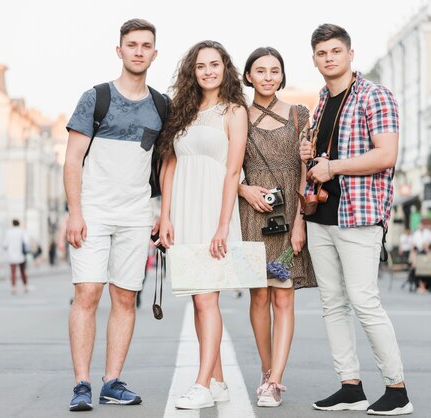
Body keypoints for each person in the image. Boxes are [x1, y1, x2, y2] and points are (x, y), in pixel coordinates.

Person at [300, 24, 413, 415]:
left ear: (350, 54)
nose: (329, 58)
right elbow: (322, 158)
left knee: (364, 302)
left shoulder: (374, 95)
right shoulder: (321, 100)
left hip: (359, 215)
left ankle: (397, 390)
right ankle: (350, 386)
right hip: (321, 217)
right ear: (314, 59)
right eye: (321, 53)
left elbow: (386, 155)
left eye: (335, 51)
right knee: (332, 304)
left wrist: (334, 168)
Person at [63, 18, 164, 411]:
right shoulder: (95, 98)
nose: (138, 51)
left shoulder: (161, 105)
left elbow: (167, 163)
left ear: (154, 53)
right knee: (87, 293)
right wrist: (76, 213)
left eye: (146, 45)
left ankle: (111, 381)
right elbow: (72, 160)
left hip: (137, 215)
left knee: (125, 297)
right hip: (94, 212)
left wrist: (163, 213)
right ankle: (82, 383)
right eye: (132, 44)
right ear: (119, 50)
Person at [158, 40, 248, 410]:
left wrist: (223, 225)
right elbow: (170, 165)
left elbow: (232, 171)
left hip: (214, 210)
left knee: (207, 298)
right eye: (200, 66)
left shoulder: (234, 111)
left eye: (215, 64)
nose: (208, 71)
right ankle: (218, 380)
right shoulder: (183, 111)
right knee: (199, 299)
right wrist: (164, 215)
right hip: (183, 210)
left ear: (225, 68)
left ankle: (200, 384)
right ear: (191, 72)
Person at [238, 46, 317, 407]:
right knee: (259, 294)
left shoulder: (300, 115)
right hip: (253, 211)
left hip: (289, 216)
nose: (268, 77)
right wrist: (242, 187)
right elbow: (228, 168)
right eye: (261, 70)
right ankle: (266, 370)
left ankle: (276, 381)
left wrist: (300, 222)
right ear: (248, 76)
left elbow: (306, 170)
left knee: (283, 295)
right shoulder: (237, 115)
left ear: (282, 75)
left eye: (275, 71)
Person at [3, 219, 30, 294]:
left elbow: (5, 244)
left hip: (11, 255)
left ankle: (14, 287)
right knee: (23, 271)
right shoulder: (22, 231)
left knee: (13, 272)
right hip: (21, 254)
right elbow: (26, 242)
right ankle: (25, 286)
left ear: (12, 224)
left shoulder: (8, 232)